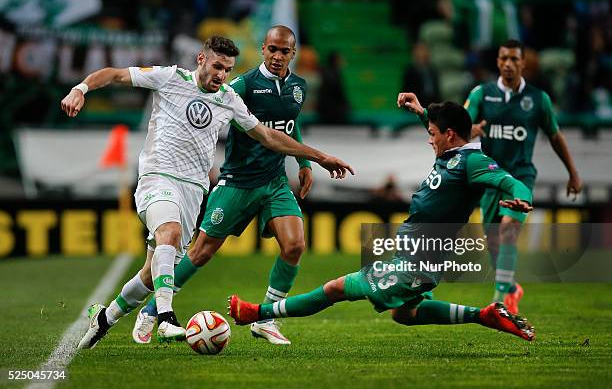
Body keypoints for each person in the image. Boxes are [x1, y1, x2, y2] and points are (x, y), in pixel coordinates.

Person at [60, 36, 353, 350]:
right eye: (217, 66)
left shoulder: (228, 99)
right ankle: (167, 317)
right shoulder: (169, 78)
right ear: (201, 59)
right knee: (169, 235)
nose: (221, 75)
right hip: (158, 178)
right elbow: (115, 74)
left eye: (227, 69)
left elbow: (269, 136)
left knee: (153, 273)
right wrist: (81, 88)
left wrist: (317, 157)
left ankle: (105, 317)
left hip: (193, 190)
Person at [229, 95, 536, 343]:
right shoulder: (451, 155)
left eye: (432, 133)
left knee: (335, 288)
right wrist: (421, 112)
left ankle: (257, 313)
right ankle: (485, 315)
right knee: (404, 314)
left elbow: (512, 183)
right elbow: (441, 131)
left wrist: (520, 201)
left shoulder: (473, 161)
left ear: (450, 135)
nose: (429, 139)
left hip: (416, 264)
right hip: (415, 258)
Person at [132, 25, 319, 346]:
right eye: (272, 49)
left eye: (284, 51)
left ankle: (266, 319)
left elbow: (290, 123)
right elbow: (219, 109)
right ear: (263, 49)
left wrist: (303, 163)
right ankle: (152, 309)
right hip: (238, 181)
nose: (277, 56)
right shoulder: (241, 84)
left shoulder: (298, 87)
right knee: (201, 252)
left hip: (274, 181)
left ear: (293, 53)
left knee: (295, 245)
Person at [464, 40, 582, 314]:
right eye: (503, 58)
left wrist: (573, 173)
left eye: (514, 59)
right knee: (493, 240)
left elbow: (554, 135)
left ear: (523, 63)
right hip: (490, 179)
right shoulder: (482, 94)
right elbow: (459, 127)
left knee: (508, 231)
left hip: (521, 178)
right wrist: (471, 130)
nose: (508, 63)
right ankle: (511, 287)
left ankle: (498, 301)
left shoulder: (538, 99)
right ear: (497, 61)